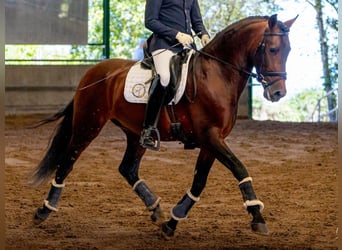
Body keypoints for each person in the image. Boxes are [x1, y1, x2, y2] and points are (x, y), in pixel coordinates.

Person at [140, 0, 210, 150]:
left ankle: (189, 130)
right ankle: (148, 130)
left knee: (197, 78)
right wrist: (176, 34)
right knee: (164, 77)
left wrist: (203, 34)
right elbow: (150, 21)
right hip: (164, 45)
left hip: (187, 47)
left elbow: (196, 21)